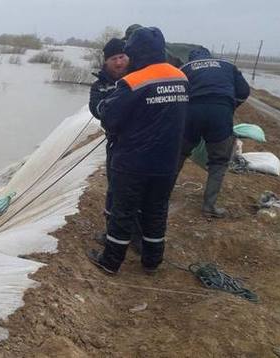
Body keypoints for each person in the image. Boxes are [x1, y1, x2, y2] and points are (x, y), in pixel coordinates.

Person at [89, 27, 189, 274]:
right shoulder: (180, 77)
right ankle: (152, 262)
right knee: (156, 211)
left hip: (134, 161)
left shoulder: (133, 82)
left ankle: (110, 262)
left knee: (123, 213)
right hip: (167, 161)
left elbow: (110, 118)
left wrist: (104, 107)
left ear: (136, 52)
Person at [177, 47, 250, 218]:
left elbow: (177, 94)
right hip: (220, 114)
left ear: (191, 58)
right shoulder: (227, 66)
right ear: (210, 56)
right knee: (218, 162)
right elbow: (244, 92)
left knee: (178, 154)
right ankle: (209, 207)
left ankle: (161, 197)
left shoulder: (185, 69)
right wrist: (229, 107)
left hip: (192, 113)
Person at [89, 38, 143, 253]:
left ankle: (139, 238)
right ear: (106, 62)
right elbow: (97, 109)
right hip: (118, 145)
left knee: (142, 193)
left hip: (144, 144)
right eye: (114, 59)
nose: (119, 62)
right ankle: (112, 232)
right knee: (116, 190)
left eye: (122, 57)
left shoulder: (141, 77)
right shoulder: (100, 84)